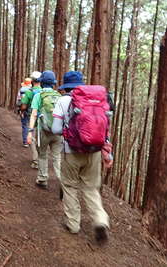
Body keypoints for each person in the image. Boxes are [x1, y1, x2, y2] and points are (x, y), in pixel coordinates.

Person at [51, 71, 110, 245]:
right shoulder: (96, 101)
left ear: (65, 86)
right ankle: (100, 220)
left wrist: (67, 131)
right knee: (91, 188)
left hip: (71, 151)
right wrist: (108, 152)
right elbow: (105, 131)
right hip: (94, 151)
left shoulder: (62, 101)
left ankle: (73, 224)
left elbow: (55, 129)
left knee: (69, 186)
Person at [27, 71, 62, 188]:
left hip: (43, 131)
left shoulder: (38, 95)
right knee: (57, 157)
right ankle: (62, 180)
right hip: (58, 131)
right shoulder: (59, 96)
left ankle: (42, 179)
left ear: (41, 82)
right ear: (53, 84)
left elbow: (34, 114)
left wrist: (30, 131)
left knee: (42, 154)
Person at [20, 71, 42, 169]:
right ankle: (42, 157)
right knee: (40, 137)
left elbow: (24, 106)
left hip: (30, 116)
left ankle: (35, 159)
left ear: (32, 81)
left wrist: (21, 110)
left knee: (31, 136)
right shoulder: (44, 91)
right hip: (41, 117)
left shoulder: (29, 92)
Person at [16, 78, 33, 148]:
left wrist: (20, 109)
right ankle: (32, 141)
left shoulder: (21, 90)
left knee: (25, 126)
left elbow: (18, 101)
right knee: (32, 126)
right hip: (32, 110)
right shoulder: (33, 90)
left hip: (23, 111)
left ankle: (25, 142)